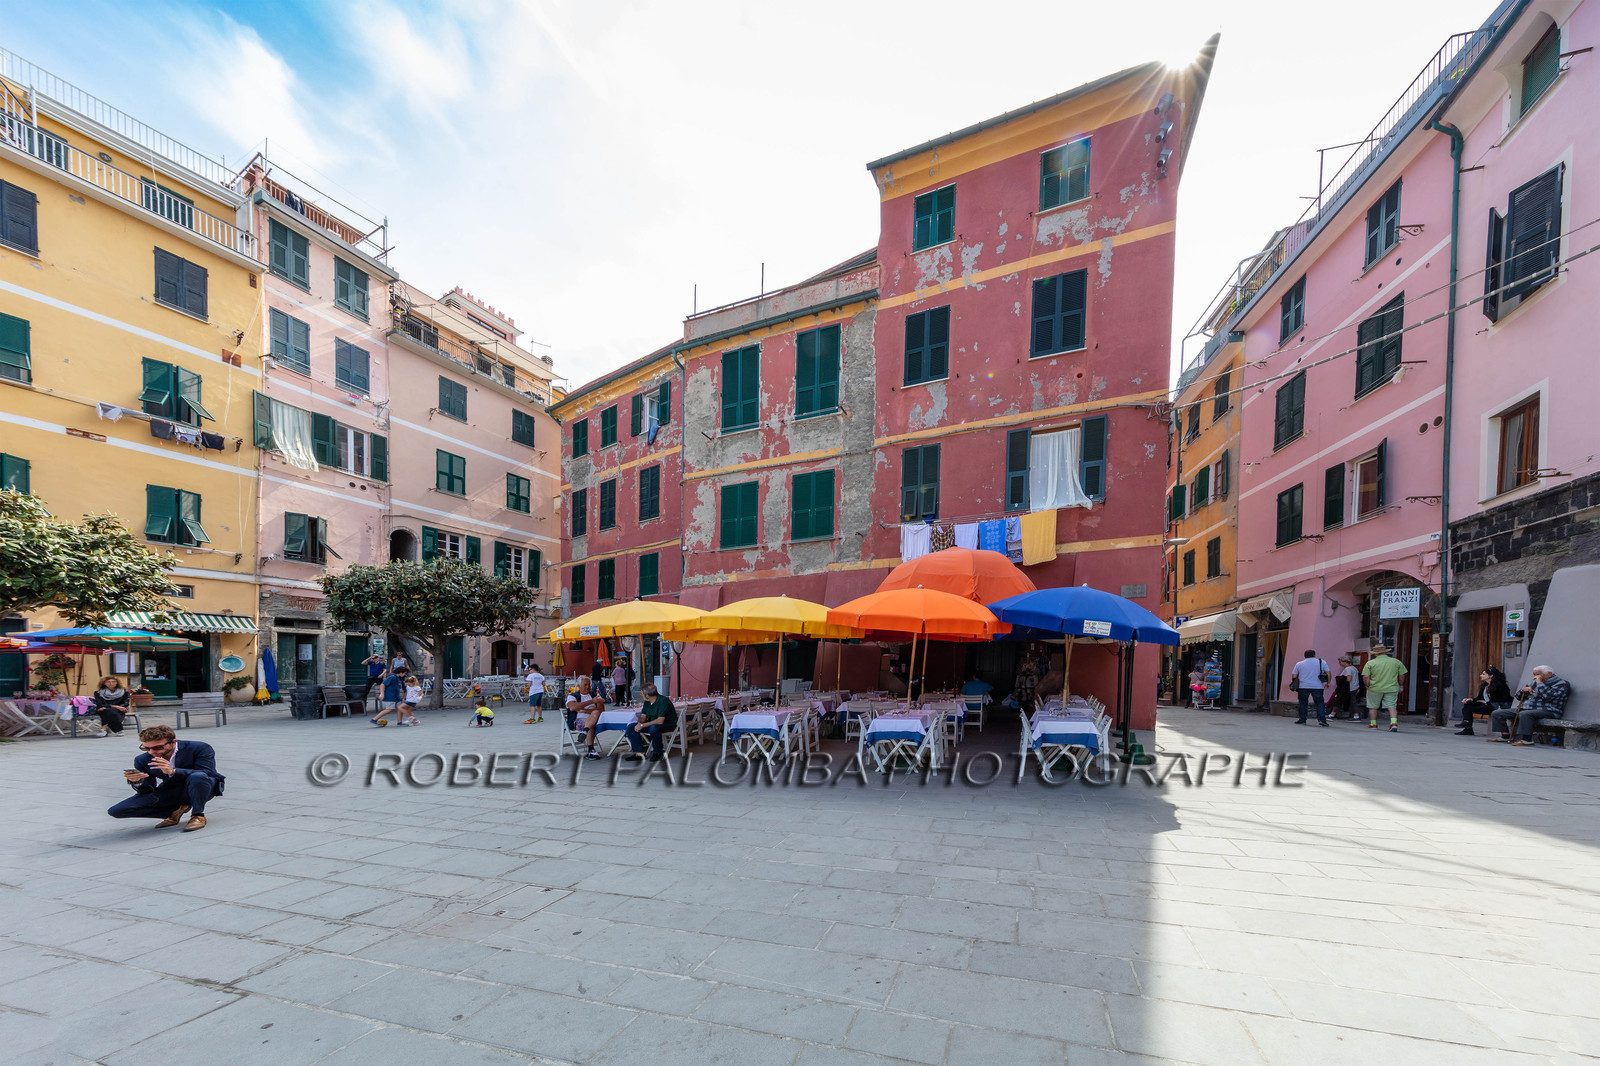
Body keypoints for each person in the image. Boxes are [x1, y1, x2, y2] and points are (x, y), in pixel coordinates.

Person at [108, 724, 224, 833]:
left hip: (203, 786)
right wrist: (137, 782)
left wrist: (174, 771)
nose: (152, 752)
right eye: (146, 748)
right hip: (172, 789)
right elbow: (149, 790)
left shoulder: (199, 748)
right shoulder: (142, 760)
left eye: (157, 747)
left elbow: (208, 772)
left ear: (173, 742)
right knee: (117, 811)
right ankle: (174, 811)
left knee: (198, 777)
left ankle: (198, 815)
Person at [1490, 666, 1571, 745]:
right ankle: (1505, 736)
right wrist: (1523, 690)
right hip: (1526, 708)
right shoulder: (1533, 683)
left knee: (1525, 714)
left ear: (1549, 674)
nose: (1535, 677)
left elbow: (1548, 697)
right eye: (1534, 674)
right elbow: (1518, 697)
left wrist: (1540, 683)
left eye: (1538, 674)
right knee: (1497, 713)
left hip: (1549, 710)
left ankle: (1527, 739)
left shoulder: (1562, 684)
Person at [1361, 644, 1408, 731]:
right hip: (1392, 687)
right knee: (1392, 706)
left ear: (1375, 654)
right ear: (1385, 652)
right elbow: (1402, 675)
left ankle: (1373, 724)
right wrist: (1401, 685)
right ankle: (1393, 723)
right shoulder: (1396, 662)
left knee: (1373, 706)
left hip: (1375, 687)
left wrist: (1367, 685)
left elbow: (1366, 677)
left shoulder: (1370, 663)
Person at [625, 683, 677, 761]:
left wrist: (642, 725)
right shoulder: (647, 702)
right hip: (653, 724)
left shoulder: (663, 701)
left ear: (647, 695)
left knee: (654, 728)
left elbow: (660, 721)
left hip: (668, 724)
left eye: (642, 693)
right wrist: (639, 724)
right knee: (631, 727)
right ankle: (639, 753)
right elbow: (643, 716)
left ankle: (658, 752)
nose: (641, 695)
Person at [1457, 666, 1512, 737]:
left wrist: (1488, 702)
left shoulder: (1501, 686)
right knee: (1468, 704)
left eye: (1483, 674)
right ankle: (1467, 725)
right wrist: (1470, 699)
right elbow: (1479, 697)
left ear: (1491, 676)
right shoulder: (1485, 686)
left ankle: (1467, 726)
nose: (1481, 675)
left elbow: (1505, 699)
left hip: (1495, 707)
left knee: (1469, 708)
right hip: (1487, 706)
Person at [566, 677, 606, 759]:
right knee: (592, 723)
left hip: (594, 719)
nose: (588, 687)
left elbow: (601, 710)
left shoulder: (594, 695)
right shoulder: (573, 696)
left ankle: (585, 731)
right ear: (579, 685)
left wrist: (585, 710)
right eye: (585, 685)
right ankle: (591, 749)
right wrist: (591, 702)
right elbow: (572, 707)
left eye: (589, 685)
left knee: (595, 713)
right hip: (578, 721)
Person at [1290, 650, 1331, 726]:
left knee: (1303, 703)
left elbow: (1294, 676)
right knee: (1319, 703)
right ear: (1314, 655)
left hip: (1303, 686)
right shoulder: (1321, 662)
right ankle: (1322, 720)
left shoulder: (1299, 664)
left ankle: (1302, 719)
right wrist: (1328, 682)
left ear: (1304, 655)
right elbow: (1328, 672)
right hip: (1318, 686)